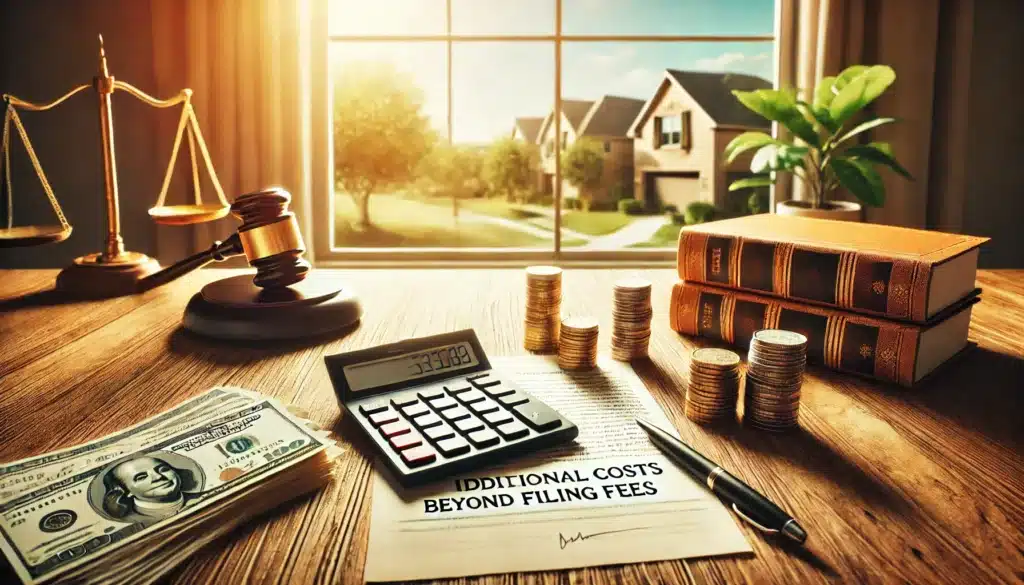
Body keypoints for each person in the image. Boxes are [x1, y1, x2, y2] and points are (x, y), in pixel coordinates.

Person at [101, 455, 200, 523]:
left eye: (163, 469)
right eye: (141, 477)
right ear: (126, 491)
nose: (158, 477)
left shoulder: (205, 497)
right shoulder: (130, 522)